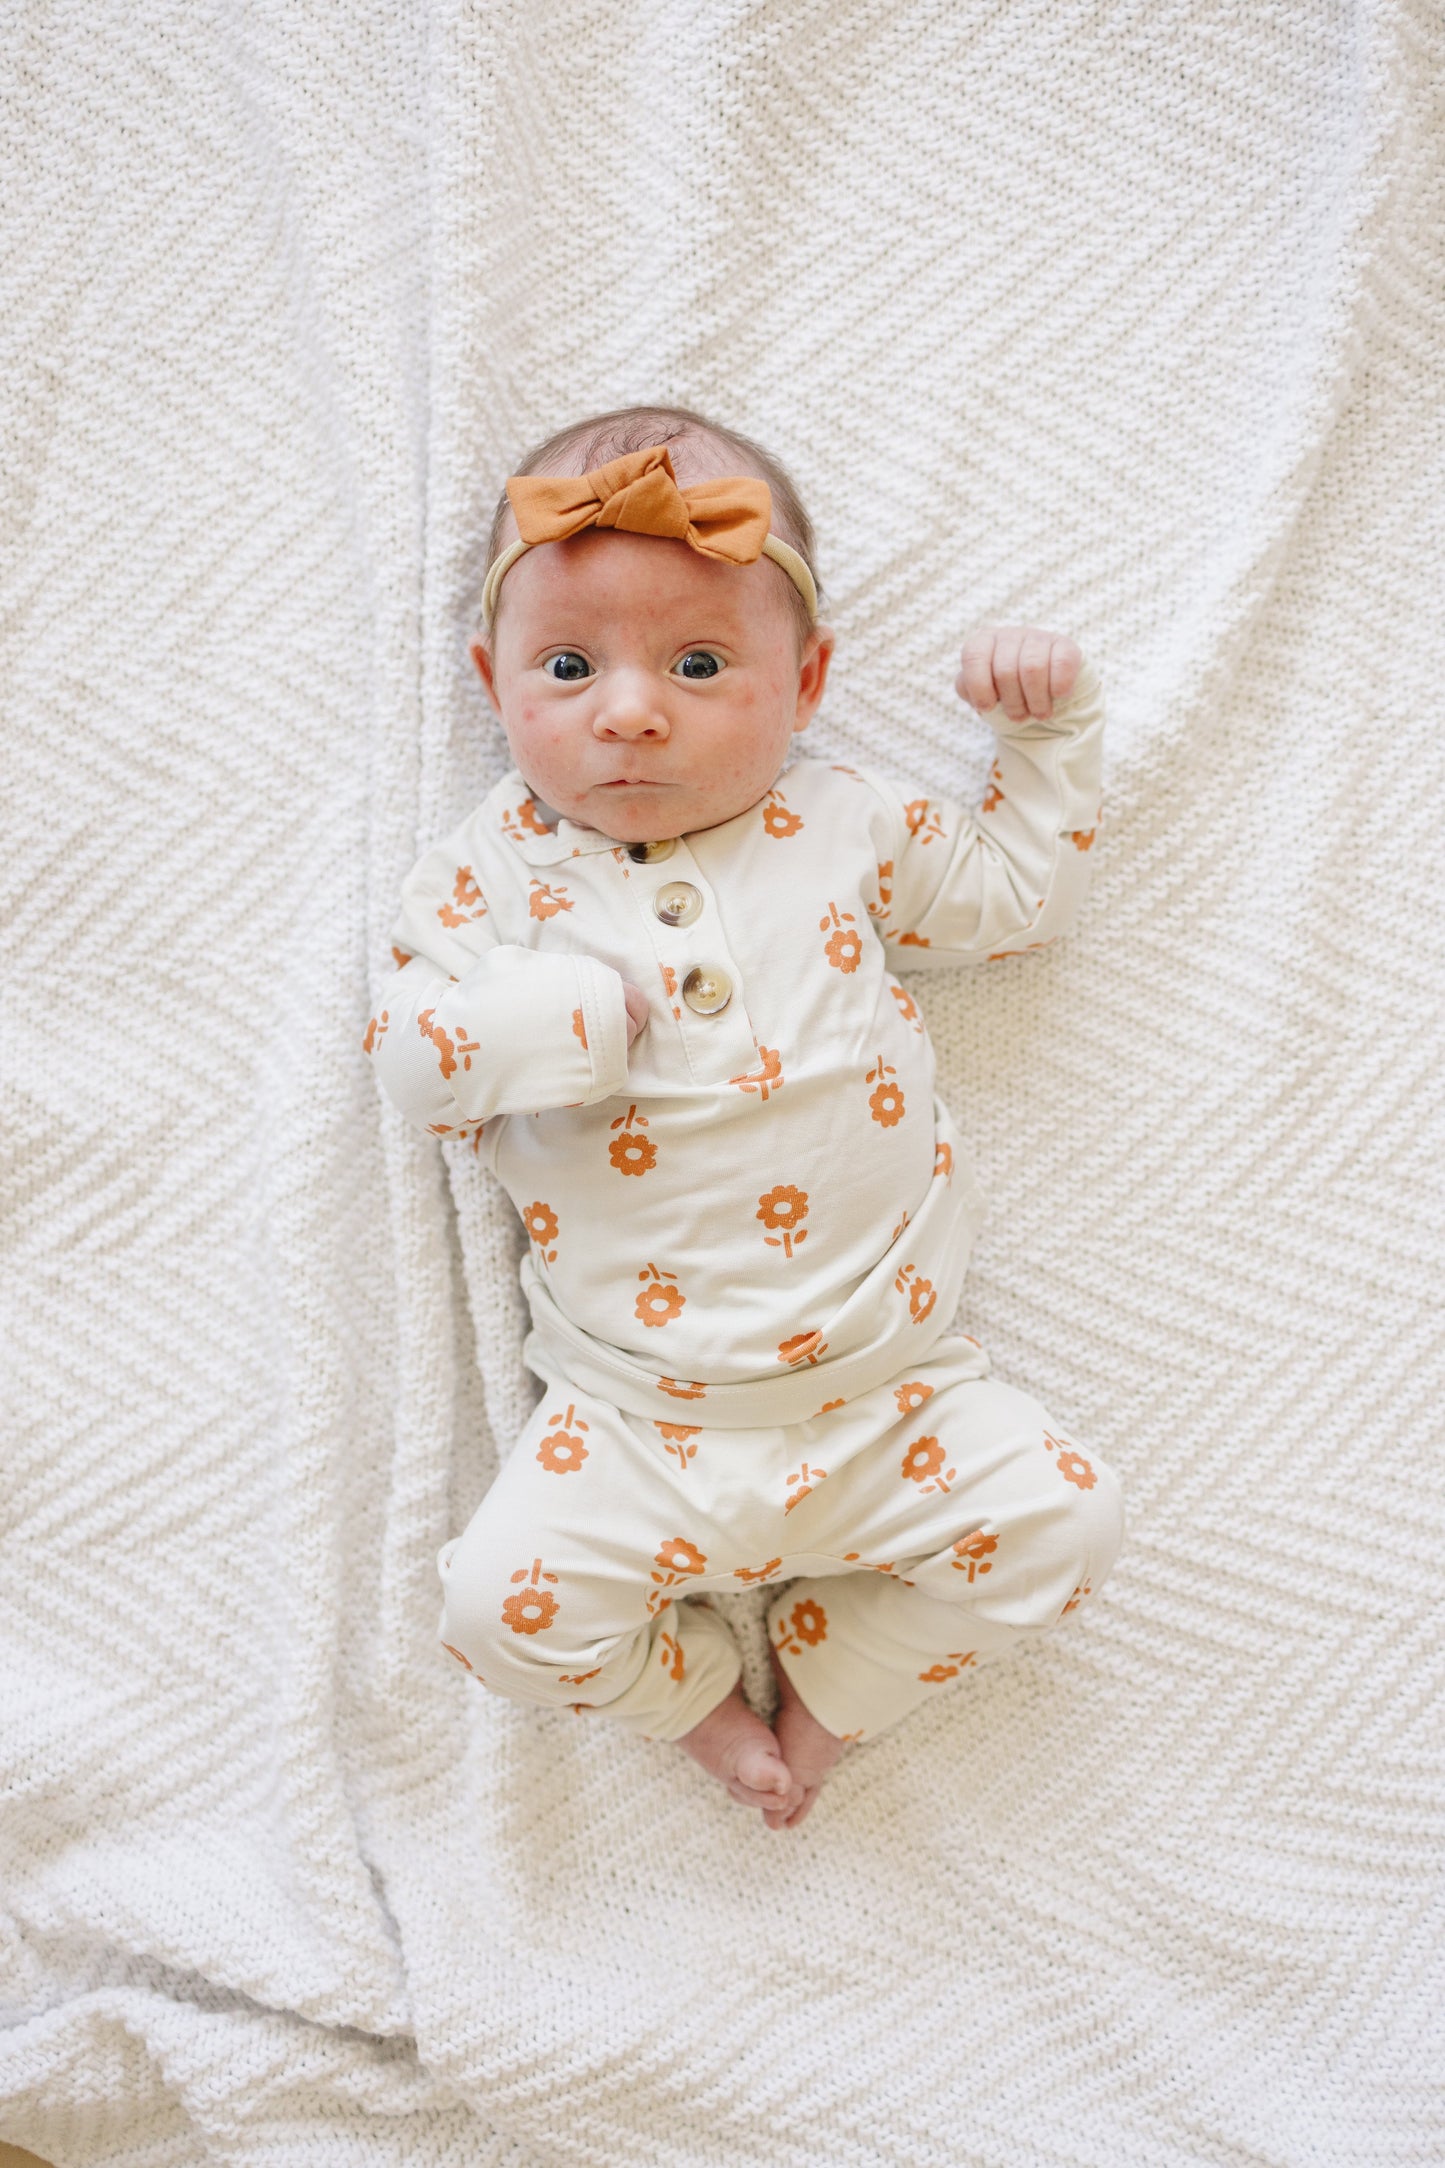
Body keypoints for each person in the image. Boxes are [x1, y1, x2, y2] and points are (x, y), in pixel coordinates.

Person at [366, 405, 1123, 1829]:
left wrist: (1048, 733)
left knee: (1069, 1525)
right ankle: (691, 1702)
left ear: (807, 680)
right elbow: (412, 1061)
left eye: (699, 664)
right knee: (491, 1612)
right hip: (632, 1424)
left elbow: (1017, 902)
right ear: (491, 682)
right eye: (568, 667)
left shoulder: (844, 824)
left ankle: (839, 1682)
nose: (629, 711)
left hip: (892, 1396)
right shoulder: (488, 878)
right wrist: (562, 1019)